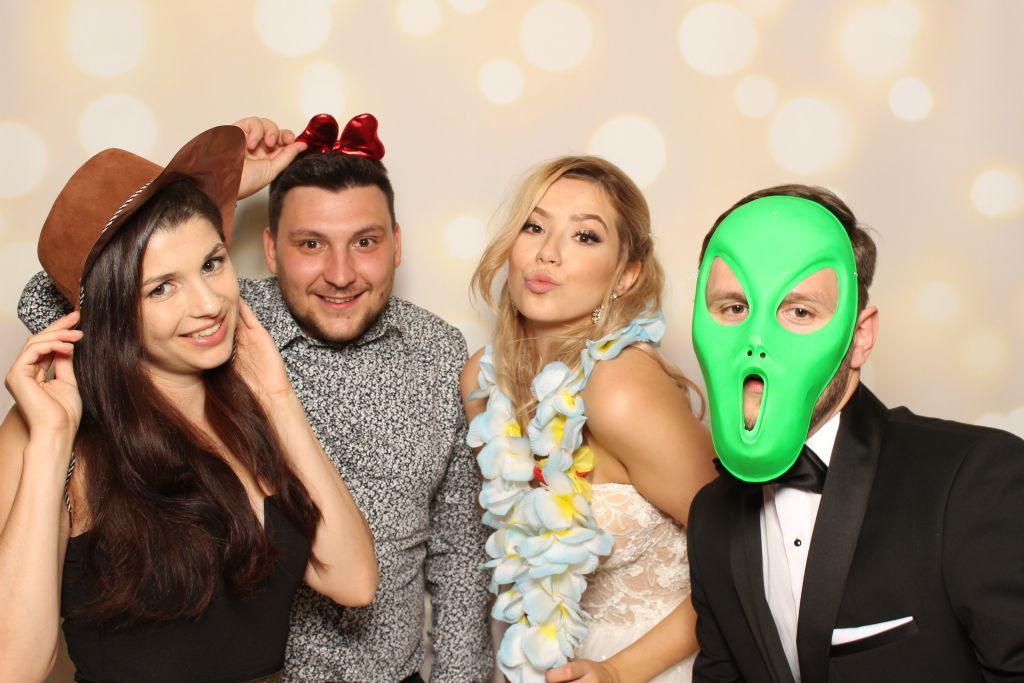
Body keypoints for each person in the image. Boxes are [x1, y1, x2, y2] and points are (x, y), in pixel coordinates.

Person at [18, 113, 493, 683]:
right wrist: (204, 189)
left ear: (397, 244)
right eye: (311, 243)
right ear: (270, 249)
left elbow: (439, 557)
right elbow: (75, 293)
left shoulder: (432, 351)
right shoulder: (228, 325)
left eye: (365, 242)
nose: (341, 273)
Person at [687, 184, 1024, 682]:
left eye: (799, 311)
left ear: (860, 336)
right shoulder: (711, 517)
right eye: (734, 308)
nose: (757, 343)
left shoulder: (974, 479)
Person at [462, 156, 717, 682]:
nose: (548, 253)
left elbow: (749, 558)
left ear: (626, 274)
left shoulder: (619, 389)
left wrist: (618, 672)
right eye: (534, 227)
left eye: (584, 236)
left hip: (660, 665)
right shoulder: (483, 383)